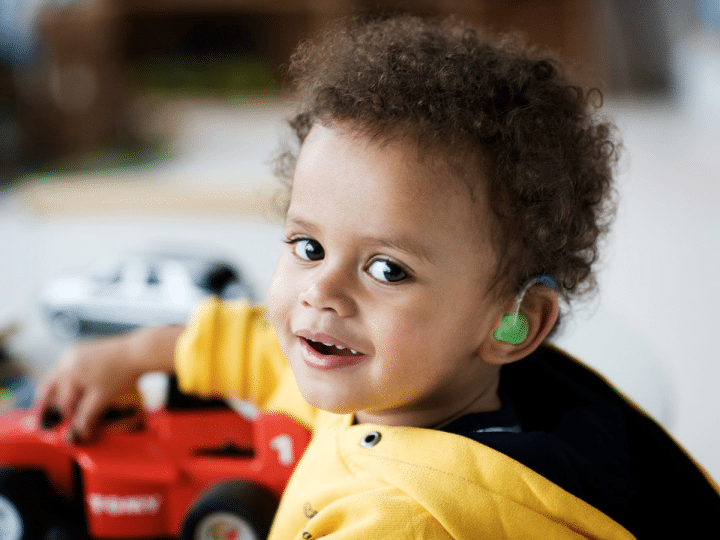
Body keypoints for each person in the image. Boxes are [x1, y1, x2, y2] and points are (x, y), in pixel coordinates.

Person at [38, 14, 719, 540]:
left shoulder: (401, 519)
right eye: (306, 245)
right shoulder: (404, 379)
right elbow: (258, 349)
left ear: (513, 323)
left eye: (386, 268)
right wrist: (131, 353)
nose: (320, 293)